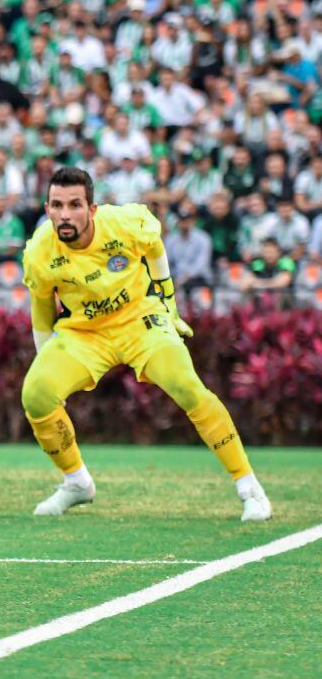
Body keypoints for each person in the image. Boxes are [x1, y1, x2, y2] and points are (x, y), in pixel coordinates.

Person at [20, 167, 271, 521]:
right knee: (35, 393)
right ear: (47, 208)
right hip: (85, 333)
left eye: (75, 204)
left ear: (92, 210)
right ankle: (76, 482)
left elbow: (154, 247)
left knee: (188, 387)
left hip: (140, 320)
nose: (64, 214)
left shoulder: (125, 222)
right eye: (57, 205)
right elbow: (42, 311)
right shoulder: (39, 252)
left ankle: (250, 488)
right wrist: (44, 364)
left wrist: (168, 304)